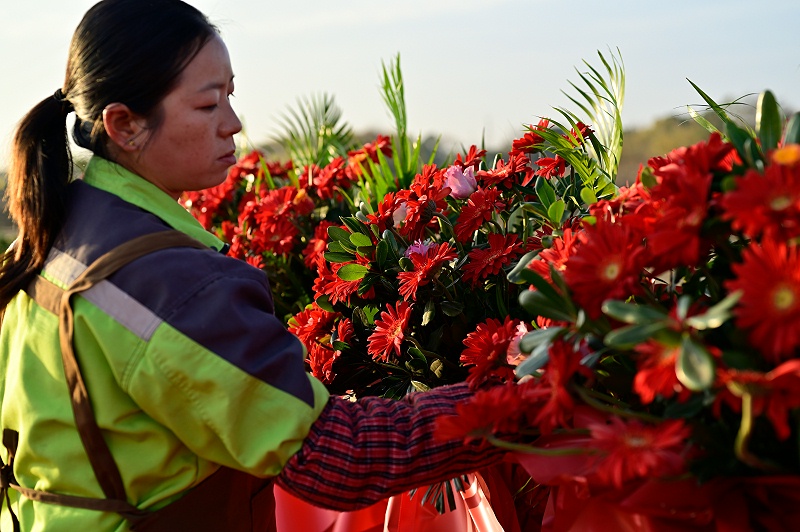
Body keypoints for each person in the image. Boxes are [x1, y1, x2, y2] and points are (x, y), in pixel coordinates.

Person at [0, 1, 505, 530]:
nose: (233, 124)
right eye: (208, 105)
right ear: (124, 125)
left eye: (230, 97)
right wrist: (520, 400)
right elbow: (334, 457)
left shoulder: (54, 239)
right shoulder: (168, 282)